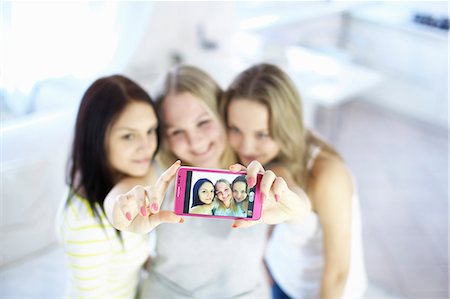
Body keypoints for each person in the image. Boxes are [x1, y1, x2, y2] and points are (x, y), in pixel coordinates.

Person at [104, 65, 311, 298]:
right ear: (165, 137)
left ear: (223, 114)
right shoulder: (163, 175)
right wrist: (120, 211)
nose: (194, 140)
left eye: (203, 122)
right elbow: (119, 196)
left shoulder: (257, 169)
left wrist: (291, 206)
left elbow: (300, 202)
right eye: (176, 132)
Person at [220, 63, 367, 299]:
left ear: (285, 128)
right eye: (235, 129)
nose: (246, 147)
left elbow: (338, 272)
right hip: (281, 278)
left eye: (262, 134)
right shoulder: (268, 155)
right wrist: (267, 259)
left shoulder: (329, 175)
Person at [56, 75, 181, 298]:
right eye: (128, 136)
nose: (147, 147)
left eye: (151, 130)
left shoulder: (132, 172)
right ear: (96, 139)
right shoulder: (85, 226)